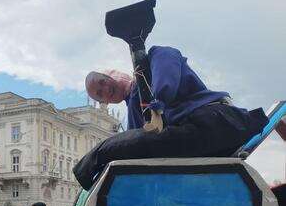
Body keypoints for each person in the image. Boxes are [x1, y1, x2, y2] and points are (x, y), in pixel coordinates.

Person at [76, 47, 268, 190]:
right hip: (197, 144)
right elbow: (137, 148)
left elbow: (167, 63)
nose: (106, 90)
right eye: (100, 95)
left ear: (111, 74)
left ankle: (85, 170)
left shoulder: (153, 57)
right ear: (107, 102)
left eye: (103, 83)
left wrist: (160, 97)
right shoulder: (133, 111)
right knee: (128, 147)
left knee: (110, 148)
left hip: (214, 120)